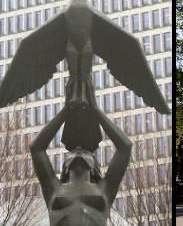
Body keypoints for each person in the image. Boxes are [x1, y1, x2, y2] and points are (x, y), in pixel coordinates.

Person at [29, 77, 131, 226]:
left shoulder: (105, 188)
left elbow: (125, 147)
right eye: (72, 152)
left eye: (86, 152)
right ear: (64, 167)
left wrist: (95, 108)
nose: (78, 149)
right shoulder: (53, 187)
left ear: (95, 166)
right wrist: (66, 109)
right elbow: (36, 148)